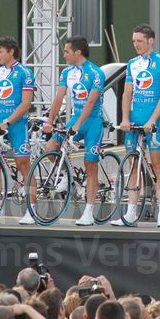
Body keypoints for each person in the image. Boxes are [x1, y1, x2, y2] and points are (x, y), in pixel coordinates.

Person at [113, 24, 160, 228]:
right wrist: (125, 119)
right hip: (135, 121)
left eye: (139, 41)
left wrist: (152, 120)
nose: (135, 45)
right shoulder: (132, 63)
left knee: (158, 167)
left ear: (150, 41)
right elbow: (127, 93)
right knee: (133, 168)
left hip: (153, 122)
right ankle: (131, 212)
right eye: (133, 41)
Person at [42, 36, 106, 226]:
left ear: (78, 52)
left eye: (67, 51)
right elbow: (58, 97)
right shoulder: (67, 72)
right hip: (75, 119)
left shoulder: (95, 73)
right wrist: (49, 120)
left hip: (93, 121)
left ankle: (89, 211)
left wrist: (77, 125)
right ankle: (67, 176)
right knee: (50, 147)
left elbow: (91, 102)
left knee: (90, 164)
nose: (64, 55)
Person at [0, 36, 36, 224]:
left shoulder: (25, 73)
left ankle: (31, 210)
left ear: (11, 52)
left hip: (16, 124)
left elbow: (26, 104)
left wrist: (7, 122)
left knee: (24, 165)